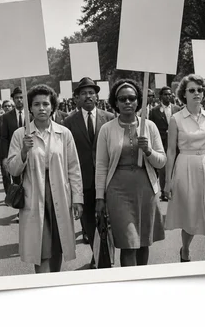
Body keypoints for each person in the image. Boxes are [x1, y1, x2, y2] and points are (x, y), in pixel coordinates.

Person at [7, 84, 83, 273]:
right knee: (40, 247)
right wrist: (24, 151)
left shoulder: (64, 133)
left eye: (45, 104)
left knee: (57, 245)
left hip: (60, 194)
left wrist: (78, 199)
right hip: (35, 195)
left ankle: (54, 282)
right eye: (36, 104)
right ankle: (43, 285)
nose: (41, 108)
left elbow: (73, 168)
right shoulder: (20, 134)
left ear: (52, 107)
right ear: (30, 108)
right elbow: (13, 170)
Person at [95, 79, 166, 267]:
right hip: (118, 192)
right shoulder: (106, 129)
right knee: (128, 243)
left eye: (132, 98)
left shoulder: (149, 127)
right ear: (115, 102)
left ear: (138, 101)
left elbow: (161, 161)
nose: (128, 102)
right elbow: (101, 166)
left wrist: (149, 150)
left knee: (143, 243)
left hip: (146, 190)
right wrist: (99, 198)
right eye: (122, 98)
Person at [164, 74, 205, 261]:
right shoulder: (176, 119)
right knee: (190, 220)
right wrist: (167, 182)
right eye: (192, 90)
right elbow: (170, 151)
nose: (197, 93)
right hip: (186, 168)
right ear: (183, 94)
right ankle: (185, 250)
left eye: (200, 89)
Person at [64, 77, 115, 267]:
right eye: (83, 93)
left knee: (108, 221)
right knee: (89, 224)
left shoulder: (109, 118)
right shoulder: (68, 122)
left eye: (91, 92)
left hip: (107, 180)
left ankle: (106, 256)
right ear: (76, 98)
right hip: (82, 182)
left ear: (97, 96)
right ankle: (97, 255)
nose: (88, 96)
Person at [149, 86, 180, 201]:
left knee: (176, 166)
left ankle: (176, 188)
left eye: (169, 94)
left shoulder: (178, 109)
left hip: (176, 143)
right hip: (162, 143)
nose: (168, 96)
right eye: (165, 94)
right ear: (161, 96)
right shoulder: (154, 111)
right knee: (163, 168)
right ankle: (163, 191)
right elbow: (151, 128)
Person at [0, 87, 26, 194]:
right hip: (14, 154)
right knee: (16, 181)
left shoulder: (31, 114)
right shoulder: (7, 117)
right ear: (13, 99)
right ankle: (19, 205)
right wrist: (4, 158)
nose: (19, 100)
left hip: (30, 153)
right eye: (17, 98)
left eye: (21, 97)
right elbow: (4, 138)